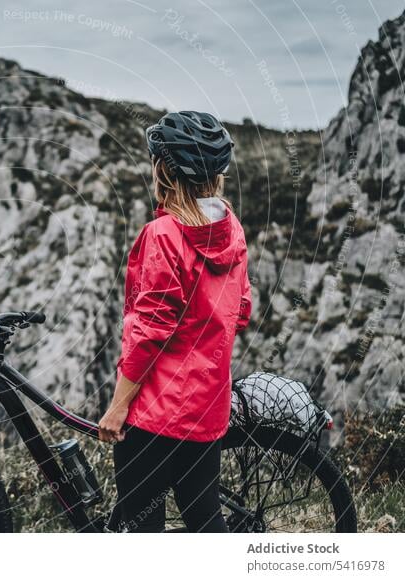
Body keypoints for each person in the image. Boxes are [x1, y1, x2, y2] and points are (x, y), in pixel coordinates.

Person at [98, 111, 252, 533]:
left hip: (156, 414)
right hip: (206, 409)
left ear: (163, 169)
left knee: (144, 531)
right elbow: (241, 310)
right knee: (204, 523)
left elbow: (150, 332)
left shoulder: (165, 234)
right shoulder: (231, 228)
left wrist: (118, 406)